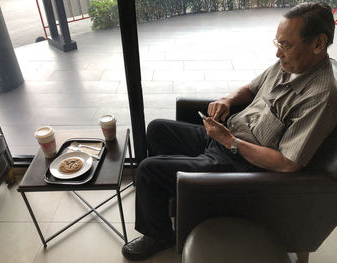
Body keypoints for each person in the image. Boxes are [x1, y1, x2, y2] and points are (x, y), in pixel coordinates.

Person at [122, 2, 337, 261]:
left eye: (286, 45)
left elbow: (288, 163)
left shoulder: (321, 96)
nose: (279, 53)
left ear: (317, 44)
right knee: (157, 129)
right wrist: (227, 100)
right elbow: (251, 88)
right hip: (229, 138)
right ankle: (174, 194)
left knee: (147, 169)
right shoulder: (291, 64)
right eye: (277, 43)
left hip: (241, 164)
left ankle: (159, 235)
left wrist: (231, 142)